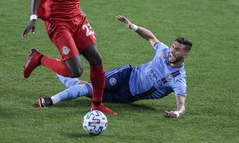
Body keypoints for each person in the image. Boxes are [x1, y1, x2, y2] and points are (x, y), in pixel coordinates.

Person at [21, 0, 117, 115]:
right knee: (75, 71)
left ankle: (97, 105)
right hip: (59, 24)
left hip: (77, 20)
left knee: (96, 60)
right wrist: (33, 18)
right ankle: (37, 58)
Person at [38, 15, 193, 118]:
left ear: (185, 54)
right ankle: (50, 100)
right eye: (173, 46)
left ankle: (53, 64)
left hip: (127, 97)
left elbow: (181, 104)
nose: (172, 51)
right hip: (126, 75)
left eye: (177, 49)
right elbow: (151, 37)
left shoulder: (179, 79)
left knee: (86, 90)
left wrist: (177, 113)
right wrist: (133, 26)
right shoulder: (164, 51)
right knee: (90, 89)